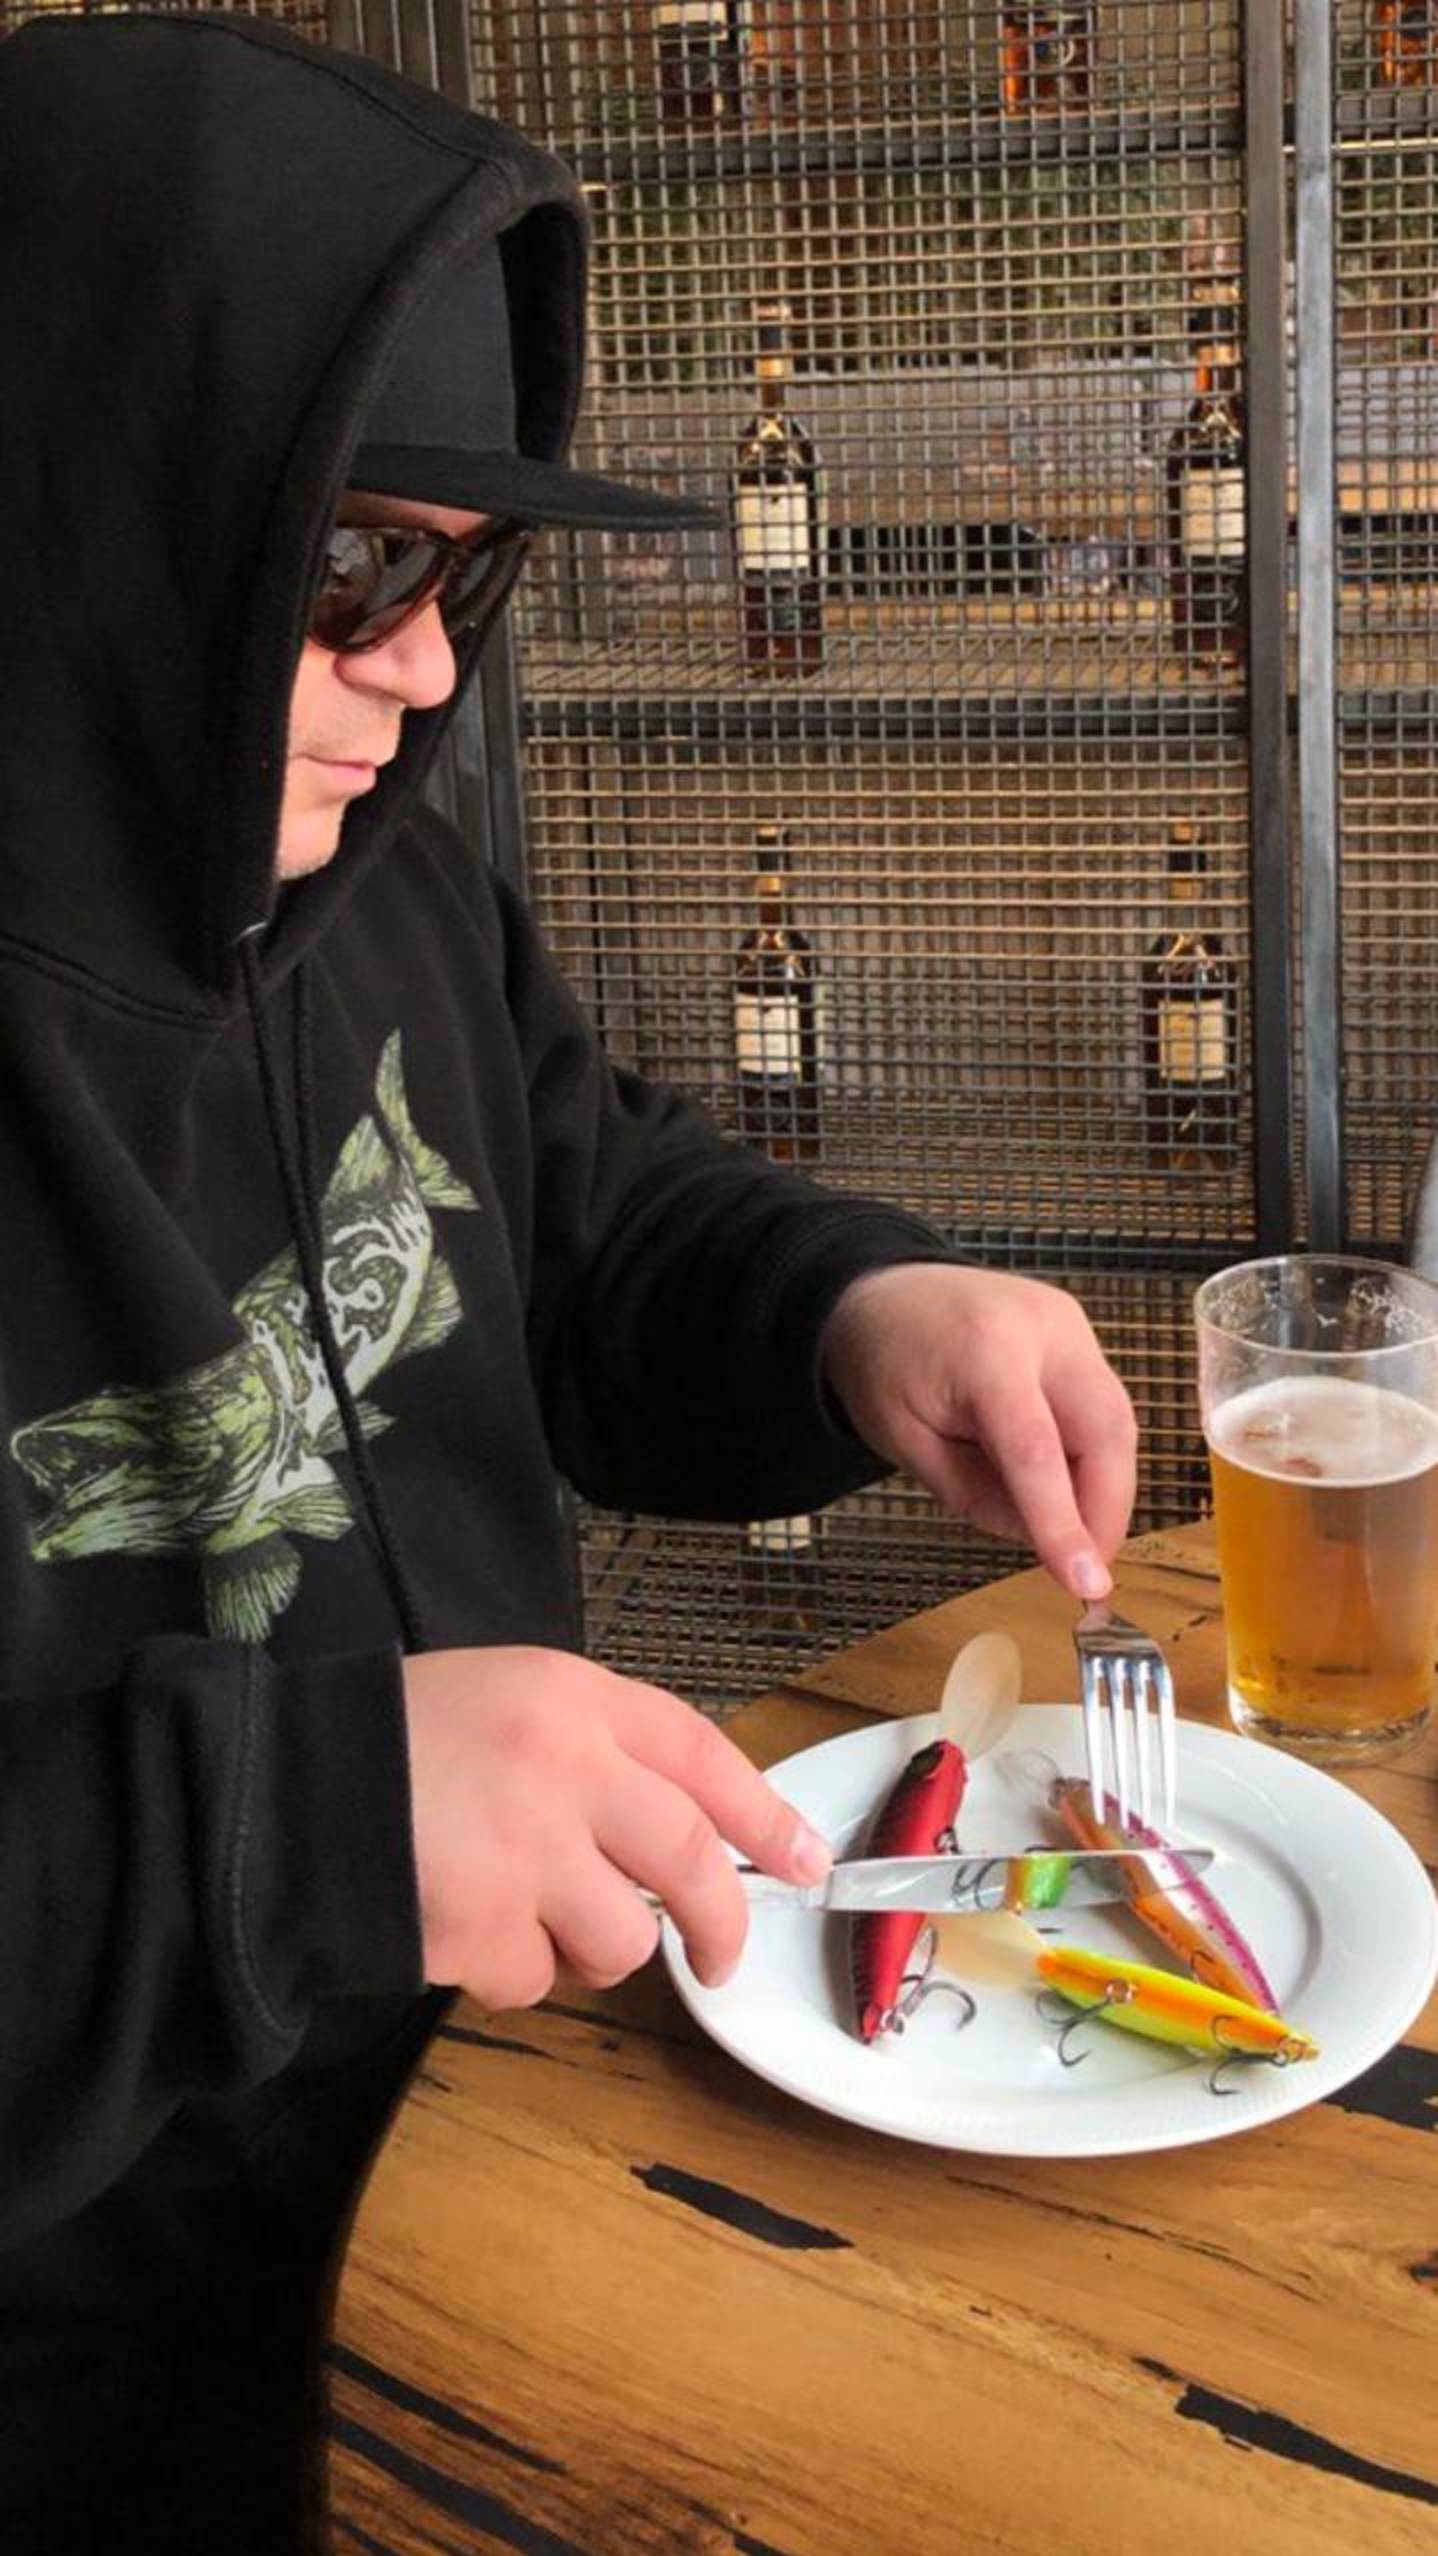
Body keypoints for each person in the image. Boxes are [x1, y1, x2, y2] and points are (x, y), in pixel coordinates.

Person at [0, 12, 1137, 2549]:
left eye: (467, 571)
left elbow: (588, 1214)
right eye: (345, 567)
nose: (424, 666)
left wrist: (853, 1312)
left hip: (533, 2121)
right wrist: (299, 1826)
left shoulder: (375, 870)